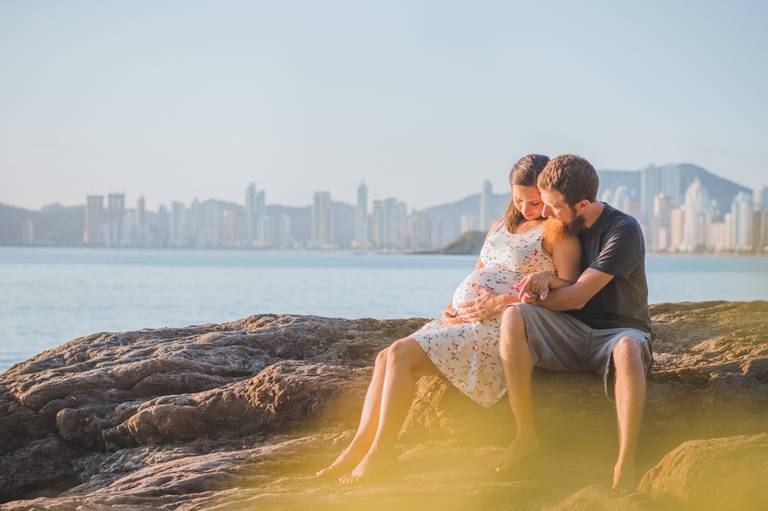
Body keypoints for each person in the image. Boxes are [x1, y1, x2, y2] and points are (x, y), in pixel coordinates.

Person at [315, 154, 582, 484]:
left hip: (502, 328)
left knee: (400, 355)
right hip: (465, 320)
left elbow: (570, 293)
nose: (528, 209)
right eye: (519, 200)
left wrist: (504, 301)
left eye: (535, 201)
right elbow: (479, 273)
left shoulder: (559, 232)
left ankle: (381, 452)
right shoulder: (500, 227)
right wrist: (451, 305)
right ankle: (357, 447)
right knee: (385, 356)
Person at [492, 154, 653, 490]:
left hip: (618, 331)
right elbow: (563, 289)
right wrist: (544, 280)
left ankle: (626, 462)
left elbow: (578, 295)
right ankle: (524, 436)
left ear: (582, 203)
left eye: (552, 206)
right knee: (514, 316)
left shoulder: (622, 230)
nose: (545, 213)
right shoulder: (565, 224)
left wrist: (547, 285)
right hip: (571, 330)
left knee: (626, 348)